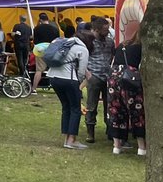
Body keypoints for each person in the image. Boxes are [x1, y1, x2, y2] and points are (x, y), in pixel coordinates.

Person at [34, 21, 89, 150]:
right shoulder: (82, 49)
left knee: (66, 107)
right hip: (69, 79)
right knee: (75, 108)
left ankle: (66, 138)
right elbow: (82, 71)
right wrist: (79, 82)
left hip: (53, 77)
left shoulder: (63, 44)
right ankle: (71, 140)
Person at [107, 0, 146, 157]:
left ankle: (117, 146)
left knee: (116, 110)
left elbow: (113, 61)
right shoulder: (141, 48)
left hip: (113, 78)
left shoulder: (122, 45)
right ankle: (141, 147)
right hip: (130, 80)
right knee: (137, 112)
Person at [83, 17, 114, 144]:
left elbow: (113, 55)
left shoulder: (110, 41)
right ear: (96, 29)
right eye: (105, 29)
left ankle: (110, 130)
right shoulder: (88, 42)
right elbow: (81, 57)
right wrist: (86, 72)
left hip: (107, 76)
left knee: (110, 105)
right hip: (94, 76)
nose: (108, 31)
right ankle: (90, 132)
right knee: (91, 105)